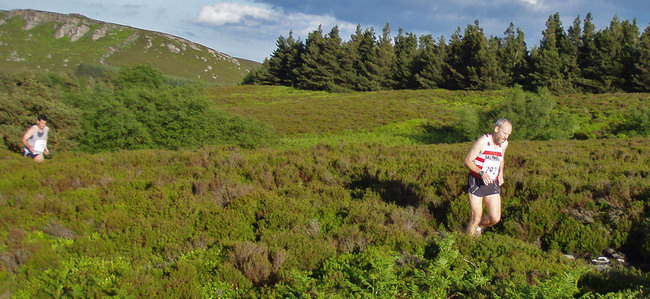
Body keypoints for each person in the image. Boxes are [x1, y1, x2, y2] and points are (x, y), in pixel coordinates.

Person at [464, 118, 512, 236]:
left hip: (491, 182)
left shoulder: (504, 144)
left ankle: (478, 227)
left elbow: (501, 158)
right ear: (496, 129)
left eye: (509, 135)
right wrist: (481, 172)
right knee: (476, 216)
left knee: (495, 218)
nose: (506, 137)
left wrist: (500, 173)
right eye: (504, 133)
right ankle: (467, 245)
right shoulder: (483, 141)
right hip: (476, 181)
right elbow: (467, 161)